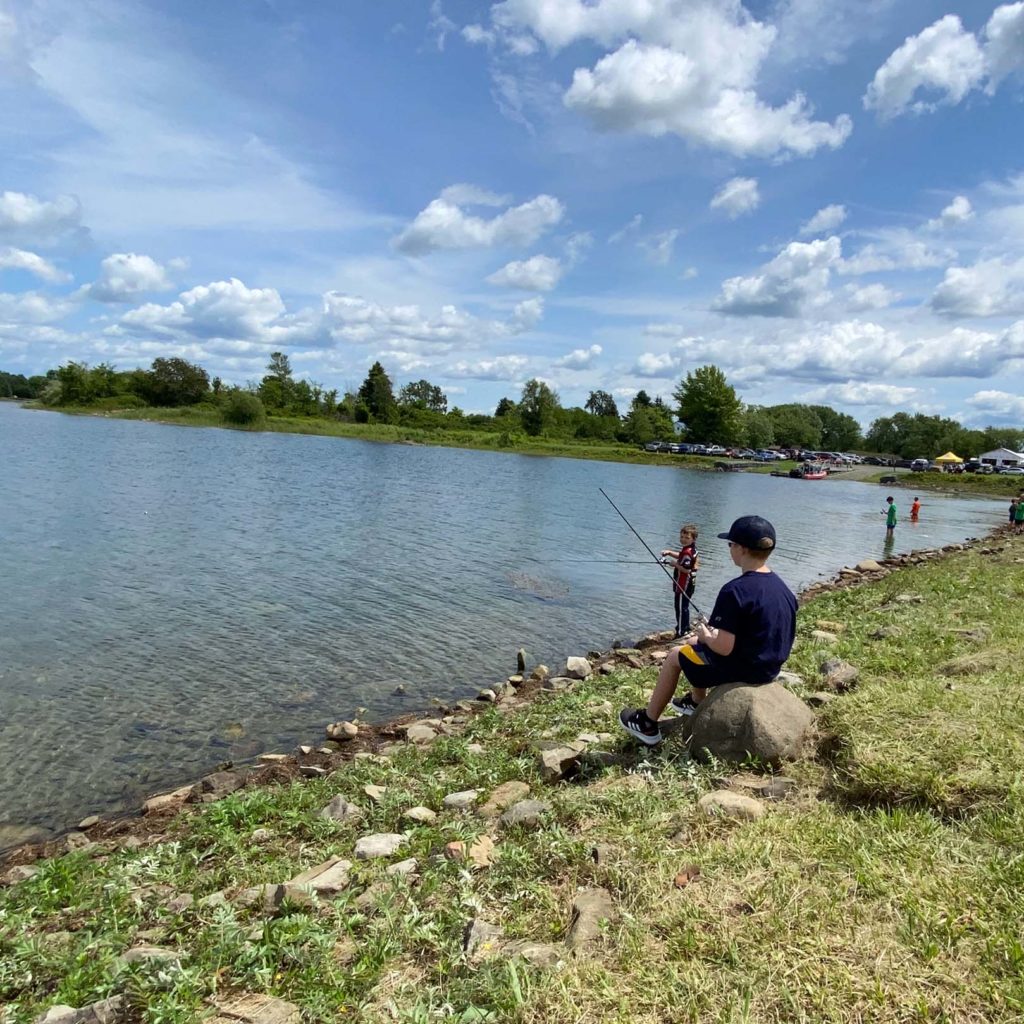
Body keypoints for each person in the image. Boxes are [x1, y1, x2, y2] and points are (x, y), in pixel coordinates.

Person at [619, 515, 797, 746]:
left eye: (730, 544)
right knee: (694, 643)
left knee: (675, 656)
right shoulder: (782, 587)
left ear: (741, 549)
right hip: (769, 665)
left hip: (746, 670)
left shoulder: (735, 590)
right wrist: (704, 639)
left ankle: (648, 723)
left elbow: (723, 648)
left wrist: (707, 636)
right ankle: (695, 702)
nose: (729, 549)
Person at [661, 523, 699, 638]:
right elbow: (682, 556)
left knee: (681, 608)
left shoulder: (688, 552)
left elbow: (687, 570)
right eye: (682, 537)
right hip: (687, 584)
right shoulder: (691, 550)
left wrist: (674, 564)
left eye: (687, 538)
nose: (683, 540)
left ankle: (682, 631)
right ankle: (685, 627)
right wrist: (670, 552)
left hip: (683, 584)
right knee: (683, 607)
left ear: (693, 538)